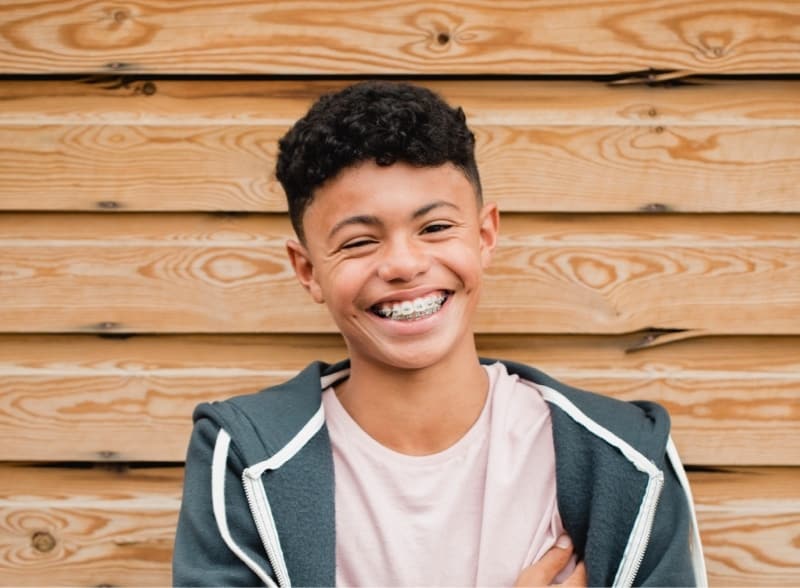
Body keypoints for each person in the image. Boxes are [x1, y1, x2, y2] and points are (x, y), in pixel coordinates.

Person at [172, 81, 707, 587]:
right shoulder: (246, 458)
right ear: (308, 269)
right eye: (359, 241)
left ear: (485, 235)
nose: (403, 265)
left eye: (434, 228)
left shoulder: (623, 459)